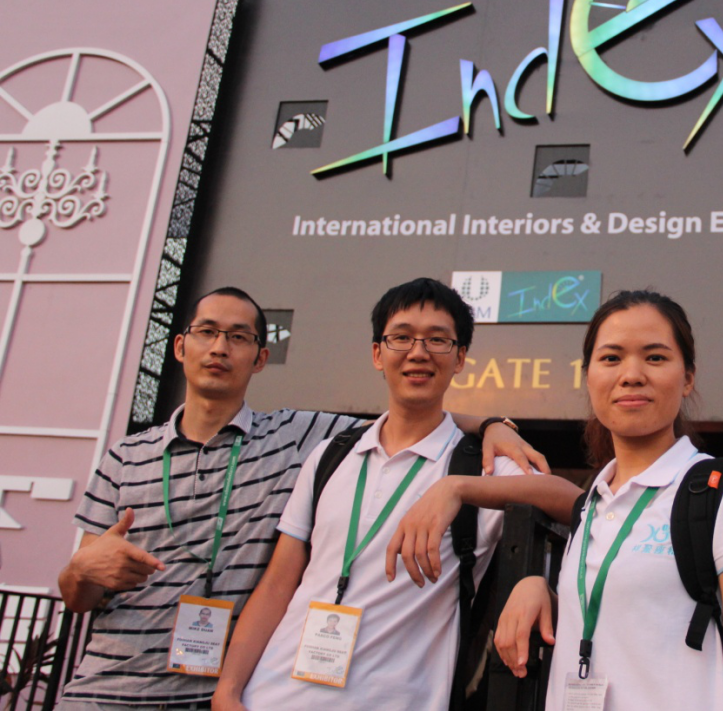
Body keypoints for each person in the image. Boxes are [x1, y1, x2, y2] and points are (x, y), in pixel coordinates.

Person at [56, 286, 544, 710]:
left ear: (261, 357)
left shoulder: (299, 436)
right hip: (114, 690)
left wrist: (491, 428)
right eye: (207, 332)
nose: (220, 348)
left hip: (227, 693)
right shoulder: (124, 456)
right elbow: (78, 597)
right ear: (180, 346)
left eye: (239, 337)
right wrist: (79, 572)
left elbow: (414, 417)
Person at [211, 278, 579, 711]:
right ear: (377, 353)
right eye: (401, 337)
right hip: (271, 696)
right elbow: (278, 585)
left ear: (460, 358)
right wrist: (228, 689)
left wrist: (457, 488)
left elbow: (575, 502)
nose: (418, 352)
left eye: (438, 340)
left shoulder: (479, 466)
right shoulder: (331, 455)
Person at [494, 290, 723, 711]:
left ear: (688, 378)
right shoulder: (593, 504)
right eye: (611, 358)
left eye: (654, 357)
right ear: (589, 376)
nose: (631, 375)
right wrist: (538, 589)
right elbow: (619, 621)